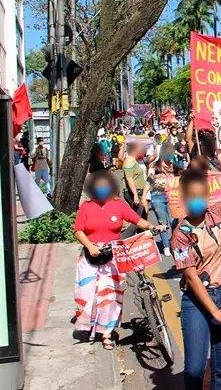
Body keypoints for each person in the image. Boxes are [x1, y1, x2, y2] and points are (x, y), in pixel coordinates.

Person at [73, 171, 166, 350]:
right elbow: (78, 230)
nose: (102, 189)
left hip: (113, 255)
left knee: (111, 295)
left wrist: (153, 226)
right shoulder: (86, 207)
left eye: (105, 186)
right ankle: (90, 325)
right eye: (98, 186)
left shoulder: (119, 205)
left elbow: (138, 220)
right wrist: (91, 247)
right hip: (90, 256)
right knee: (88, 294)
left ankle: (106, 333)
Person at [170, 170, 221, 390]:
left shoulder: (217, 214)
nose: (197, 201)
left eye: (201, 195)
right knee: (195, 370)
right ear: (184, 199)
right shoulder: (179, 235)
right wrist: (215, 312)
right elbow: (190, 275)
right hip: (196, 302)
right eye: (192, 196)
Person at [148, 144, 179, 256]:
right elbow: (149, 180)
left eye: (173, 152)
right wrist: (157, 181)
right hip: (157, 196)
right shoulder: (154, 166)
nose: (171, 154)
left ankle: (175, 243)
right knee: (162, 222)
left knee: (174, 222)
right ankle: (166, 246)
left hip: (173, 196)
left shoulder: (176, 166)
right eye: (170, 152)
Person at [122, 142, 149, 218]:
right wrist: (135, 196)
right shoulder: (129, 161)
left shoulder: (134, 160)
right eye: (140, 148)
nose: (143, 150)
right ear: (135, 150)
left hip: (139, 192)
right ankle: (133, 230)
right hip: (133, 193)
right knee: (139, 218)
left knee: (143, 216)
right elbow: (129, 179)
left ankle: (141, 230)